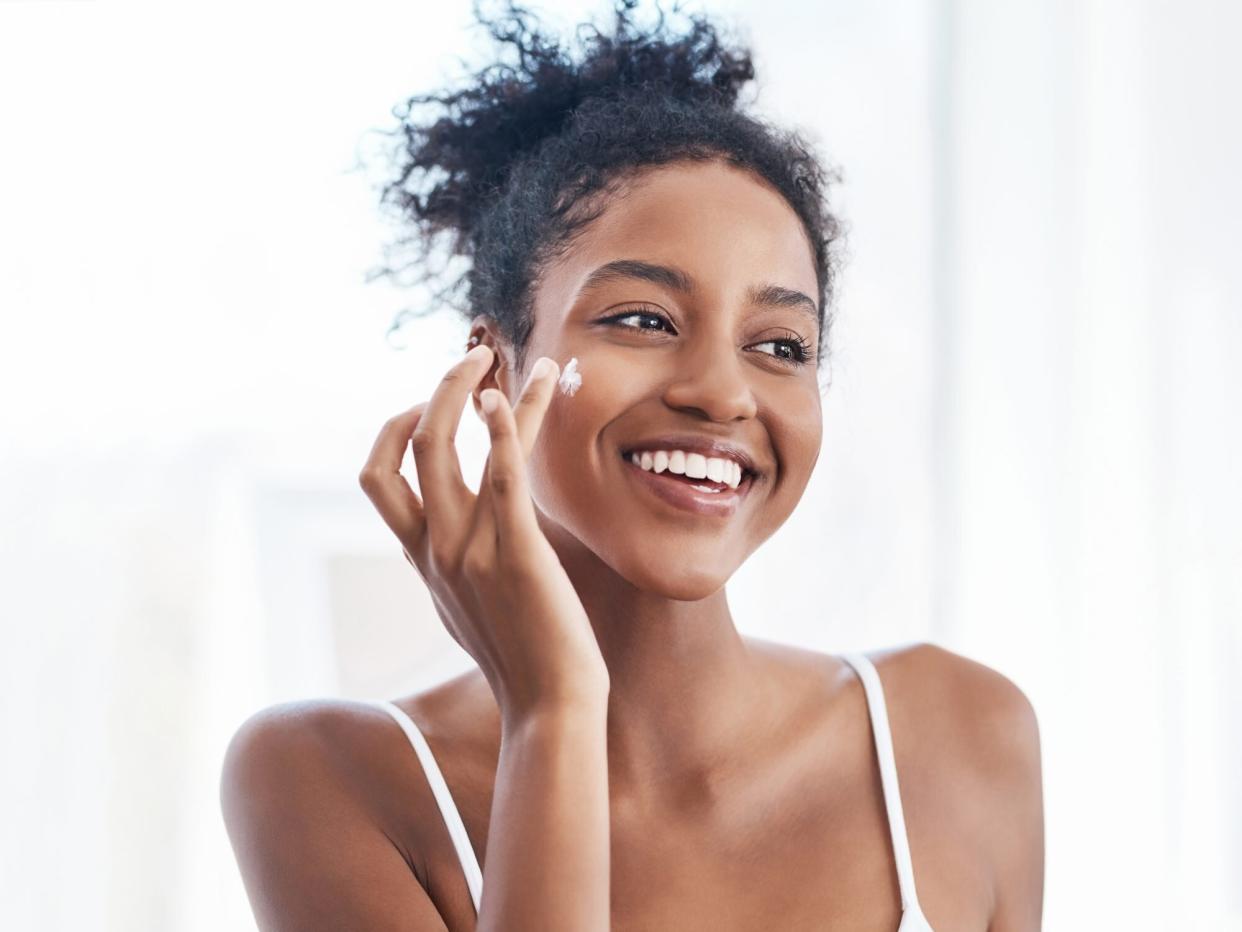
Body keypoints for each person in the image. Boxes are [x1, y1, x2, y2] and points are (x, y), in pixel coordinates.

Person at [220, 2, 1044, 929]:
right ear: (493, 366)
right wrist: (554, 711)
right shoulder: (329, 778)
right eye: (645, 320)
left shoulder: (958, 733)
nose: (722, 394)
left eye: (779, 345)